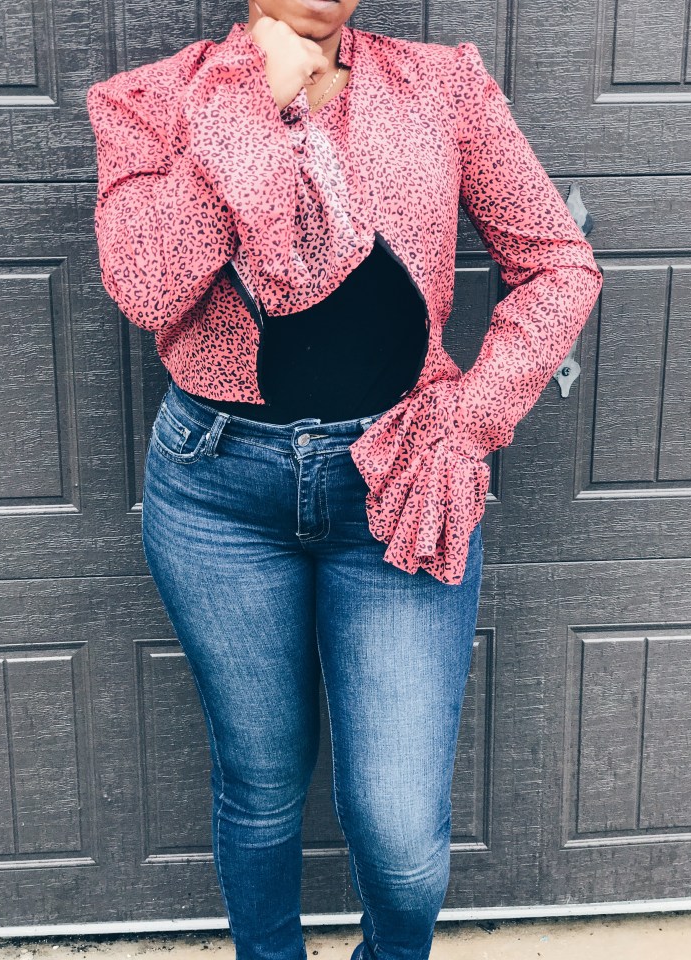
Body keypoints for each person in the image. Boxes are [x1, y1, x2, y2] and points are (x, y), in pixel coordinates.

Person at [85, 1, 603, 957]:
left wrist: (469, 417)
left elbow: (557, 263)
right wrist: (252, 110)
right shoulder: (151, 100)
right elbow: (147, 287)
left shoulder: (441, 85)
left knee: (404, 845)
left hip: (401, 483)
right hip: (217, 494)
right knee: (261, 783)